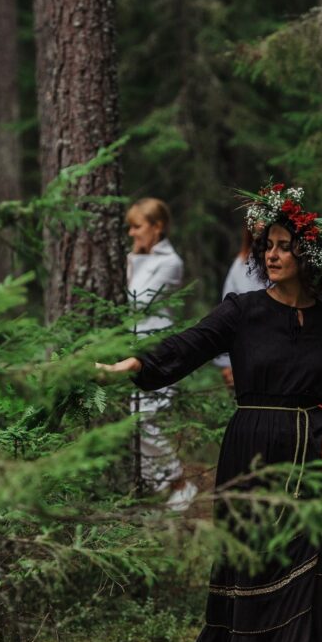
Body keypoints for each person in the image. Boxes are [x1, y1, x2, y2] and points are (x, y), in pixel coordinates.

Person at [98, 182, 322, 642]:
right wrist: (136, 364)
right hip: (251, 451)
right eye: (267, 246)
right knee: (252, 566)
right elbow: (190, 343)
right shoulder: (243, 311)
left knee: (305, 568)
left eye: (284, 246)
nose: (272, 254)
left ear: (307, 255)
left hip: (309, 460)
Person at [125, 197, 195, 510]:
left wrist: (133, 261)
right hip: (135, 348)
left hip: (158, 349)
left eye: (137, 226)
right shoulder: (140, 257)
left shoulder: (170, 262)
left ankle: (179, 482)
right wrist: (135, 257)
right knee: (136, 420)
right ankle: (157, 486)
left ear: (158, 227)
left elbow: (139, 300)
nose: (132, 233)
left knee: (145, 418)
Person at [213, 227, 265, 389]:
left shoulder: (291, 267)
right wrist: (227, 363)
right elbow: (227, 316)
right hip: (246, 358)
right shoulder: (240, 265)